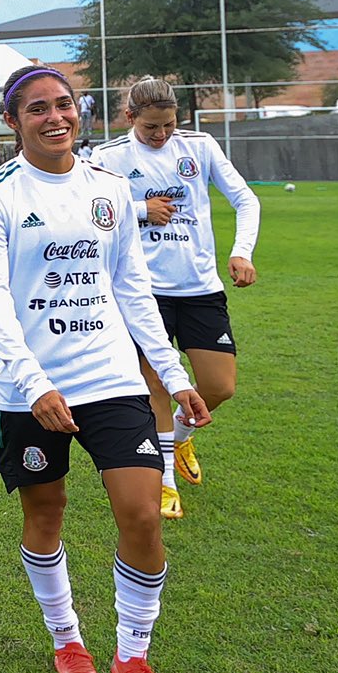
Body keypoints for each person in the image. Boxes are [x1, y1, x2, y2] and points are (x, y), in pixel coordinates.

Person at [0, 65, 210, 673]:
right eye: (39, 109)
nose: (56, 118)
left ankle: (133, 657)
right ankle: (67, 641)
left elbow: (132, 288)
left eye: (65, 105)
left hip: (111, 379)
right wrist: (33, 382)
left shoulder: (109, 190)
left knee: (142, 514)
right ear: (13, 122)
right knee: (47, 515)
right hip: (27, 390)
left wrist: (174, 372)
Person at [93, 77, 261, 521]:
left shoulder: (200, 147)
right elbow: (88, 211)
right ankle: (165, 481)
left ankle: (183, 434)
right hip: (141, 290)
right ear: (130, 118)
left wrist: (241, 251)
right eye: (151, 127)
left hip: (200, 286)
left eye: (168, 125)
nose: (161, 135)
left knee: (221, 385)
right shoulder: (108, 158)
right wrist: (141, 208)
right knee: (156, 385)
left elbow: (246, 200)